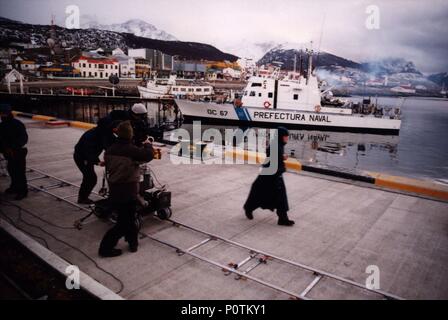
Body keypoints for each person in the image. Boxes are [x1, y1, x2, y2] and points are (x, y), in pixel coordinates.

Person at [98, 121, 154, 257]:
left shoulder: (110, 149)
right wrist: (148, 144)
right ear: (130, 134)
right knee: (123, 223)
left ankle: (133, 244)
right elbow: (148, 155)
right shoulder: (130, 150)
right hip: (127, 190)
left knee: (129, 218)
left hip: (115, 188)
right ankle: (105, 248)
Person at [243, 126, 295, 226]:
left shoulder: (279, 144)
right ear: (280, 136)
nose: (287, 138)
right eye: (285, 136)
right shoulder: (275, 146)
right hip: (268, 176)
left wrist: (282, 157)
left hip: (275, 175)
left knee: (281, 197)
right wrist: (282, 160)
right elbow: (272, 160)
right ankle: (248, 208)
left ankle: (283, 218)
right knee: (259, 194)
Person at [0, 104, 29, 200]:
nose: (2, 115)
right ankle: (14, 187)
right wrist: (4, 148)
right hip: (8, 151)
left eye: (4, 113)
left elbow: (24, 138)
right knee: (11, 170)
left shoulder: (17, 124)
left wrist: (13, 147)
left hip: (18, 151)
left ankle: (23, 191)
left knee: (20, 172)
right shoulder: (2, 125)